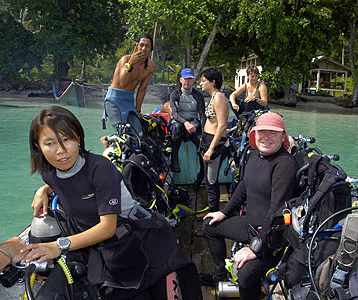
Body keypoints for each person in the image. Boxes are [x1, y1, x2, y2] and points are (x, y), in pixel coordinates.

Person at [23, 106, 202, 300]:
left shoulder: (100, 169)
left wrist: (57, 246)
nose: (60, 151)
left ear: (78, 138)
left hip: (140, 242)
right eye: (49, 143)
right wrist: (43, 190)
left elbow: (107, 228)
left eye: (67, 139)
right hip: (105, 251)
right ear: (37, 145)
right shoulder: (49, 173)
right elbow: (67, 181)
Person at [201, 112, 298, 300]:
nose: (266, 137)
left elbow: (277, 210)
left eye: (273, 133)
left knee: (245, 274)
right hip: (251, 226)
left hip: (272, 239)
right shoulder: (254, 156)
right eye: (262, 132)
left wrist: (255, 248)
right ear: (254, 134)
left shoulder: (284, 165)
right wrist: (223, 212)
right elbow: (243, 188)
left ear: (282, 137)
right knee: (209, 226)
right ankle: (220, 277)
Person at [103, 33, 156, 135]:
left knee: (137, 131)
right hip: (114, 100)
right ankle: (107, 142)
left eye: (147, 46)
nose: (144, 48)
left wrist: (138, 110)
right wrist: (131, 63)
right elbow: (122, 82)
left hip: (129, 101)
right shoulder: (125, 60)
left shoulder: (151, 66)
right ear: (136, 46)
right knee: (123, 132)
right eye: (141, 45)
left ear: (151, 50)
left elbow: (142, 88)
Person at [198, 67, 229, 213]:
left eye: (204, 81)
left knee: (211, 182)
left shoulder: (219, 98)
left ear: (213, 82)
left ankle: (212, 219)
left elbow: (222, 125)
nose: (201, 83)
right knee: (208, 181)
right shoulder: (213, 97)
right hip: (207, 141)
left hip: (214, 145)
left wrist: (211, 148)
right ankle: (210, 215)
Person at [169, 68, 205, 187]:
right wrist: (185, 123)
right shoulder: (175, 94)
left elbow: (202, 114)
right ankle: (175, 161)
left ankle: (201, 175)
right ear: (180, 80)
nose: (187, 82)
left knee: (202, 144)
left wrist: (202, 130)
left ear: (193, 80)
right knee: (177, 128)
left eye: (190, 79)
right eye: (185, 79)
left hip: (194, 124)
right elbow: (174, 113)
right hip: (180, 122)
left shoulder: (198, 95)